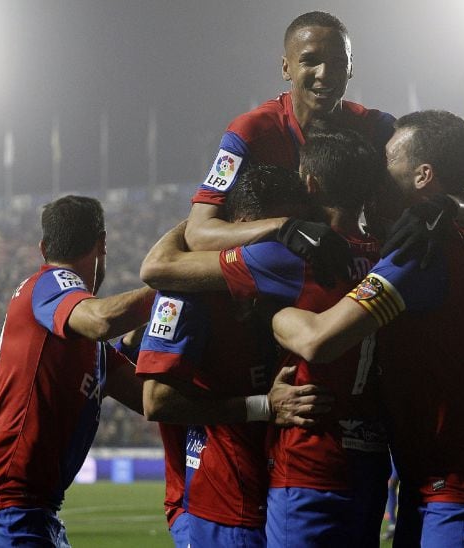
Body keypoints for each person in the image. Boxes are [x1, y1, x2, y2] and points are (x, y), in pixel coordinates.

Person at [270, 110, 464, 547]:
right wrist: (452, 204)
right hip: (446, 474)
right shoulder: (459, 228)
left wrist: (275, 314)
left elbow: (318, 340)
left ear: (423, 175)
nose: (377, 176)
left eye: (388, 163)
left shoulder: (421, 253)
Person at [142, 125, 393, 547]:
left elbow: (157, 265)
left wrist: (210, 222)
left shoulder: (286, 259)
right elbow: (155, 400)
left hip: (307, 470)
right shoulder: (388, 254)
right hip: (346, 474)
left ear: (311, 185)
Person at [184, 10, 464, 277]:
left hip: (354, 278)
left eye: (337, 62)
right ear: (286, 67)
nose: (324, 74)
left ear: (351, 67)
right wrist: (285, 228)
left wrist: (444, 207)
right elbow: (198, 233)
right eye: (310, 61)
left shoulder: (376, 128)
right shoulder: (252, 131)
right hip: (272, 285)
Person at [137, 163, 334, 548]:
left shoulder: (279, 281)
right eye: (276, 230)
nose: (287, 244)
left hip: (281, 497)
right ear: (241, 225)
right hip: (228, 506)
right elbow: (156, 401)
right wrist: (263, 406)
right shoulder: (187, 290)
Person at [0, 195, 155, 547]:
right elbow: (103, 319)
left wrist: (254, 404)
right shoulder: (50, 282)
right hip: (3, 504)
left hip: (28, 509)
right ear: (102, 242)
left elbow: (153, 401)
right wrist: (173, 293)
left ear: (43, 246)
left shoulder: (90, 347)